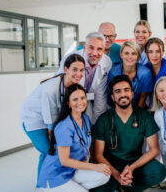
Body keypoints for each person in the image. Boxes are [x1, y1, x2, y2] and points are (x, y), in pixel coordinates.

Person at [91, 75, 166, 192]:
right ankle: (120, 184)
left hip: (135, 164)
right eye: (118, 91)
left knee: (159, 171)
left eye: (126, 90)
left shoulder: (143, 116)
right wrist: (116, 174)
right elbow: (98, 155)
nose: (123, 94)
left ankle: (129, 187)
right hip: (110, 166)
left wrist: (131, 168)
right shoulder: (104, 120)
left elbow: (154, 149)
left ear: (132, 93)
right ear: (112, 97)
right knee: (98, 187)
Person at [20, 54, 85, 186]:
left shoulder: (74, 84)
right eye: (74, 69)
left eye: (82, 70)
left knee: (52, 153)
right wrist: (54, 138)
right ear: (65, 69)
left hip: (50, 119)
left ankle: (52, 182)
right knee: (49, 153)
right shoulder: (50, 89)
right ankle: (41, 187)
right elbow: (50, 121)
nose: (78, 74)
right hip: (34, 120)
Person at [38, 84, 111, 191]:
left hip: (72, 170)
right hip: (55, 175)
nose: (80, 102)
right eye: (75, 99)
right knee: (98, 171)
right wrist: (95, 166)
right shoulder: (64, 127)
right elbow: (64, 161)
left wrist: (90, 164)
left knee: (105, 174)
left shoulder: (85, 119)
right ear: (68, 103)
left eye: (82, 98)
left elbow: (87, 142)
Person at [57, 32, 112, 124]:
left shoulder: (107, 62)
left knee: (92, 122)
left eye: (99, 49)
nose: (95, 53)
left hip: (89, 98)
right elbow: (61, 88)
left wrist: (96, 125)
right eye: (91, 47)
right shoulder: (70, 59)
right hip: (69, 98)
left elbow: (100, 94)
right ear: (84, 47)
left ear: (104, 50)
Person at [107, 41, 153, 108]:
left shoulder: (145, 73)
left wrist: (135, 117)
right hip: (116, 108)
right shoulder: (113, 72)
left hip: (138, 108)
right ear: (121, 55)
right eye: (126, 53)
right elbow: (112, 97)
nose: (130, 57)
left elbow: (143, 99)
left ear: (138, 57)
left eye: (133, 54)